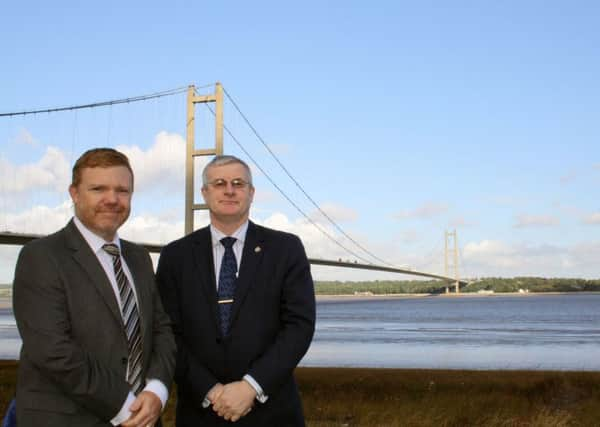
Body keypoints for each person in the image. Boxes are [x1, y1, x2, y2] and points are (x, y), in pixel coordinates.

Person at [13, 148, 176, 427]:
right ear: (74, 193)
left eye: (122, 190)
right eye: (98, 188)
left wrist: (156, 390)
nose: (112, 199)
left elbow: (161, 330)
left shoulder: (139, 258)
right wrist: (126, 406)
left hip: (145, 417)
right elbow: (52, 350)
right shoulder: (40, 256)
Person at [156, 155, 316, 426]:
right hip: (200, 412)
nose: (229, 190)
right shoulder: (175, 256)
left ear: (251, 193)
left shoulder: (286, 249)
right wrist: (211, 390)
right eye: (219, 183)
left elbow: (299, 326)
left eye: (238, 183)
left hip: (273, 413)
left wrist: (251, 386)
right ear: (205, 193)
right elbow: (167, 333)